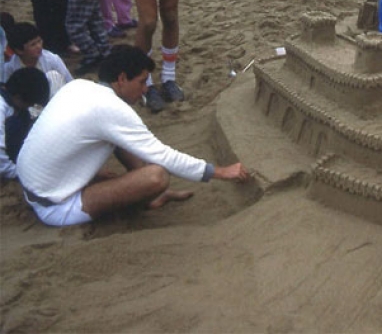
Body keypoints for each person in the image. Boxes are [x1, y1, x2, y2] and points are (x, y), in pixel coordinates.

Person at [16, 45, 250, 227]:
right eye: (141, 82)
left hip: (34, 186)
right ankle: (147, 197)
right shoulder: (111, 108)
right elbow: (162, 156)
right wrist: (220, 172)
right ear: (121, 79)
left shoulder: (79, 86)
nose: (146, 89)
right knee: (156, 176)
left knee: (121, 139)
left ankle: (144, 195)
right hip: (54, 205)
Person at [0, 67, 50, 180]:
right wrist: (20, 174)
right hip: (6, 166)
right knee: (18, 121)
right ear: (18, 97)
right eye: (30, 103)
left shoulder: (10, 97)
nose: (29, 107)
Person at [3, 22, 73, 93]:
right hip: (27, 100)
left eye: (39, 41)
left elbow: (70, 82)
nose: (39, 46)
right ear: (19, 50)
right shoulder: (10, 67)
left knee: (53, 76)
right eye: (33, 45)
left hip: (53, 97)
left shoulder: (52, 59)